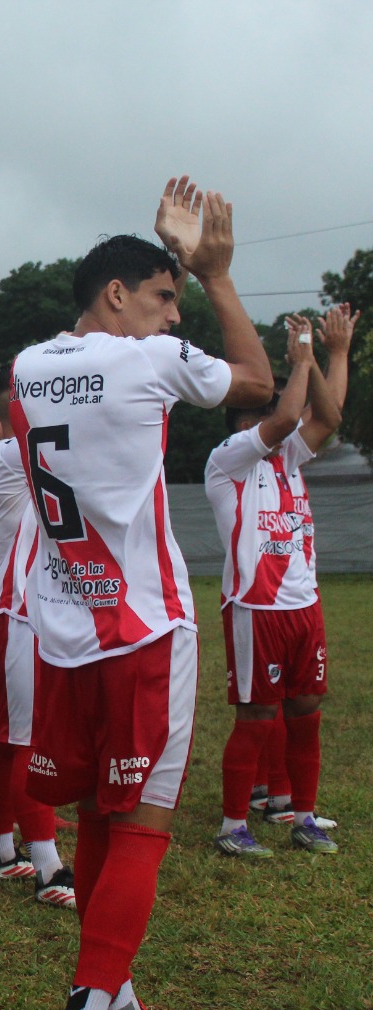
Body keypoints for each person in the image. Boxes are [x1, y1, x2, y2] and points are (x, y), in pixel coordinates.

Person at [12, 177, 272, 1010]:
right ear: (115, 296)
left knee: (95, 818)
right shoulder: (147, 359)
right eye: (162, 299)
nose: (172, 317)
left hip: (62, 634)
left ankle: (120, 1004)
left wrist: (180, 280)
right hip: (146, 633)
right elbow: (259, 383)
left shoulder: (27, 367)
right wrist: (215, 275)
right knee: (144, 827)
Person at [206, 304, 353, 857]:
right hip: (255, 606)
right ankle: (231, 827)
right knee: (256, 715)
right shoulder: (228, 460)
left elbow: (328, 416)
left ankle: (304, 816)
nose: (277, 410)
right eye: (266, 409)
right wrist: (303, 360)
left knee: (307, 710)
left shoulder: (286, 458)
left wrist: (317, 359)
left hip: (303, 604)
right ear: (248, 423)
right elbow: (291, 417)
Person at [0, 364, 74, 907]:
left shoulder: (30, 453)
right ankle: (49, 869)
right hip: (18, 615)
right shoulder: (10, 456)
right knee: (29, 742)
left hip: (29, 614)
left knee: (15, 744)